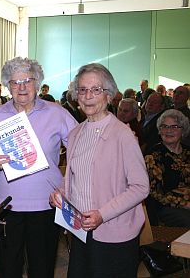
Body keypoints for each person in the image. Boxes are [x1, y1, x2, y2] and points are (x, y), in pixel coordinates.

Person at [0, 57, 78, 278]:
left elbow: (82, 149)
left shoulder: (56, 113)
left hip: (45, 202)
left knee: (42, 267)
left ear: (37, 83)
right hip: (6, 204)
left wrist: (69, 183)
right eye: (15, 82)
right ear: (8, 86)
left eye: (27, 81)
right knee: (8, 268)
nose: (21, 87)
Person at [49, 63, 149, 278]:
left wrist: (102, 215)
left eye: (96, 89)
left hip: (115, 234)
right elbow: (74, 178)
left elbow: (141, 187)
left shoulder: (123, 135)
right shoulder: (76, 132)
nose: (88, 96)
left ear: (109, 95)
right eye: (83, 90)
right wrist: (60, 194)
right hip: (80, 231)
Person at [144, 109, 190, 227]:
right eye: (164, 126)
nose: (168, 130)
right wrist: (185, 203)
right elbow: (156, 192)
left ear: (183, 130)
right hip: (164, 207)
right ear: (159, 130)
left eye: (174, 127)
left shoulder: (188, 152)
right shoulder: (153, 155)